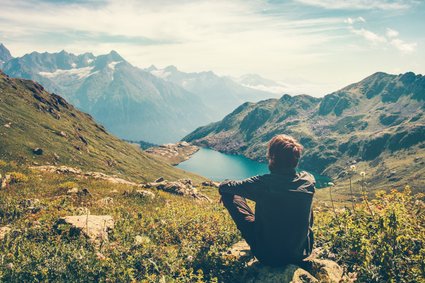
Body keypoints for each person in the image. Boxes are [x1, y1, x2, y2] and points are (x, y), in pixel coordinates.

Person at [219, 134, 315, 267]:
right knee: (304, 199)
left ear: (273, 158)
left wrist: (226, 189)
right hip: (301, 253)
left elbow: (225, 186)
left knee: (230, 194)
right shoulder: (308, 181)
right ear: (296, 160)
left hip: (268, 255)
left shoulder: (263, 183)